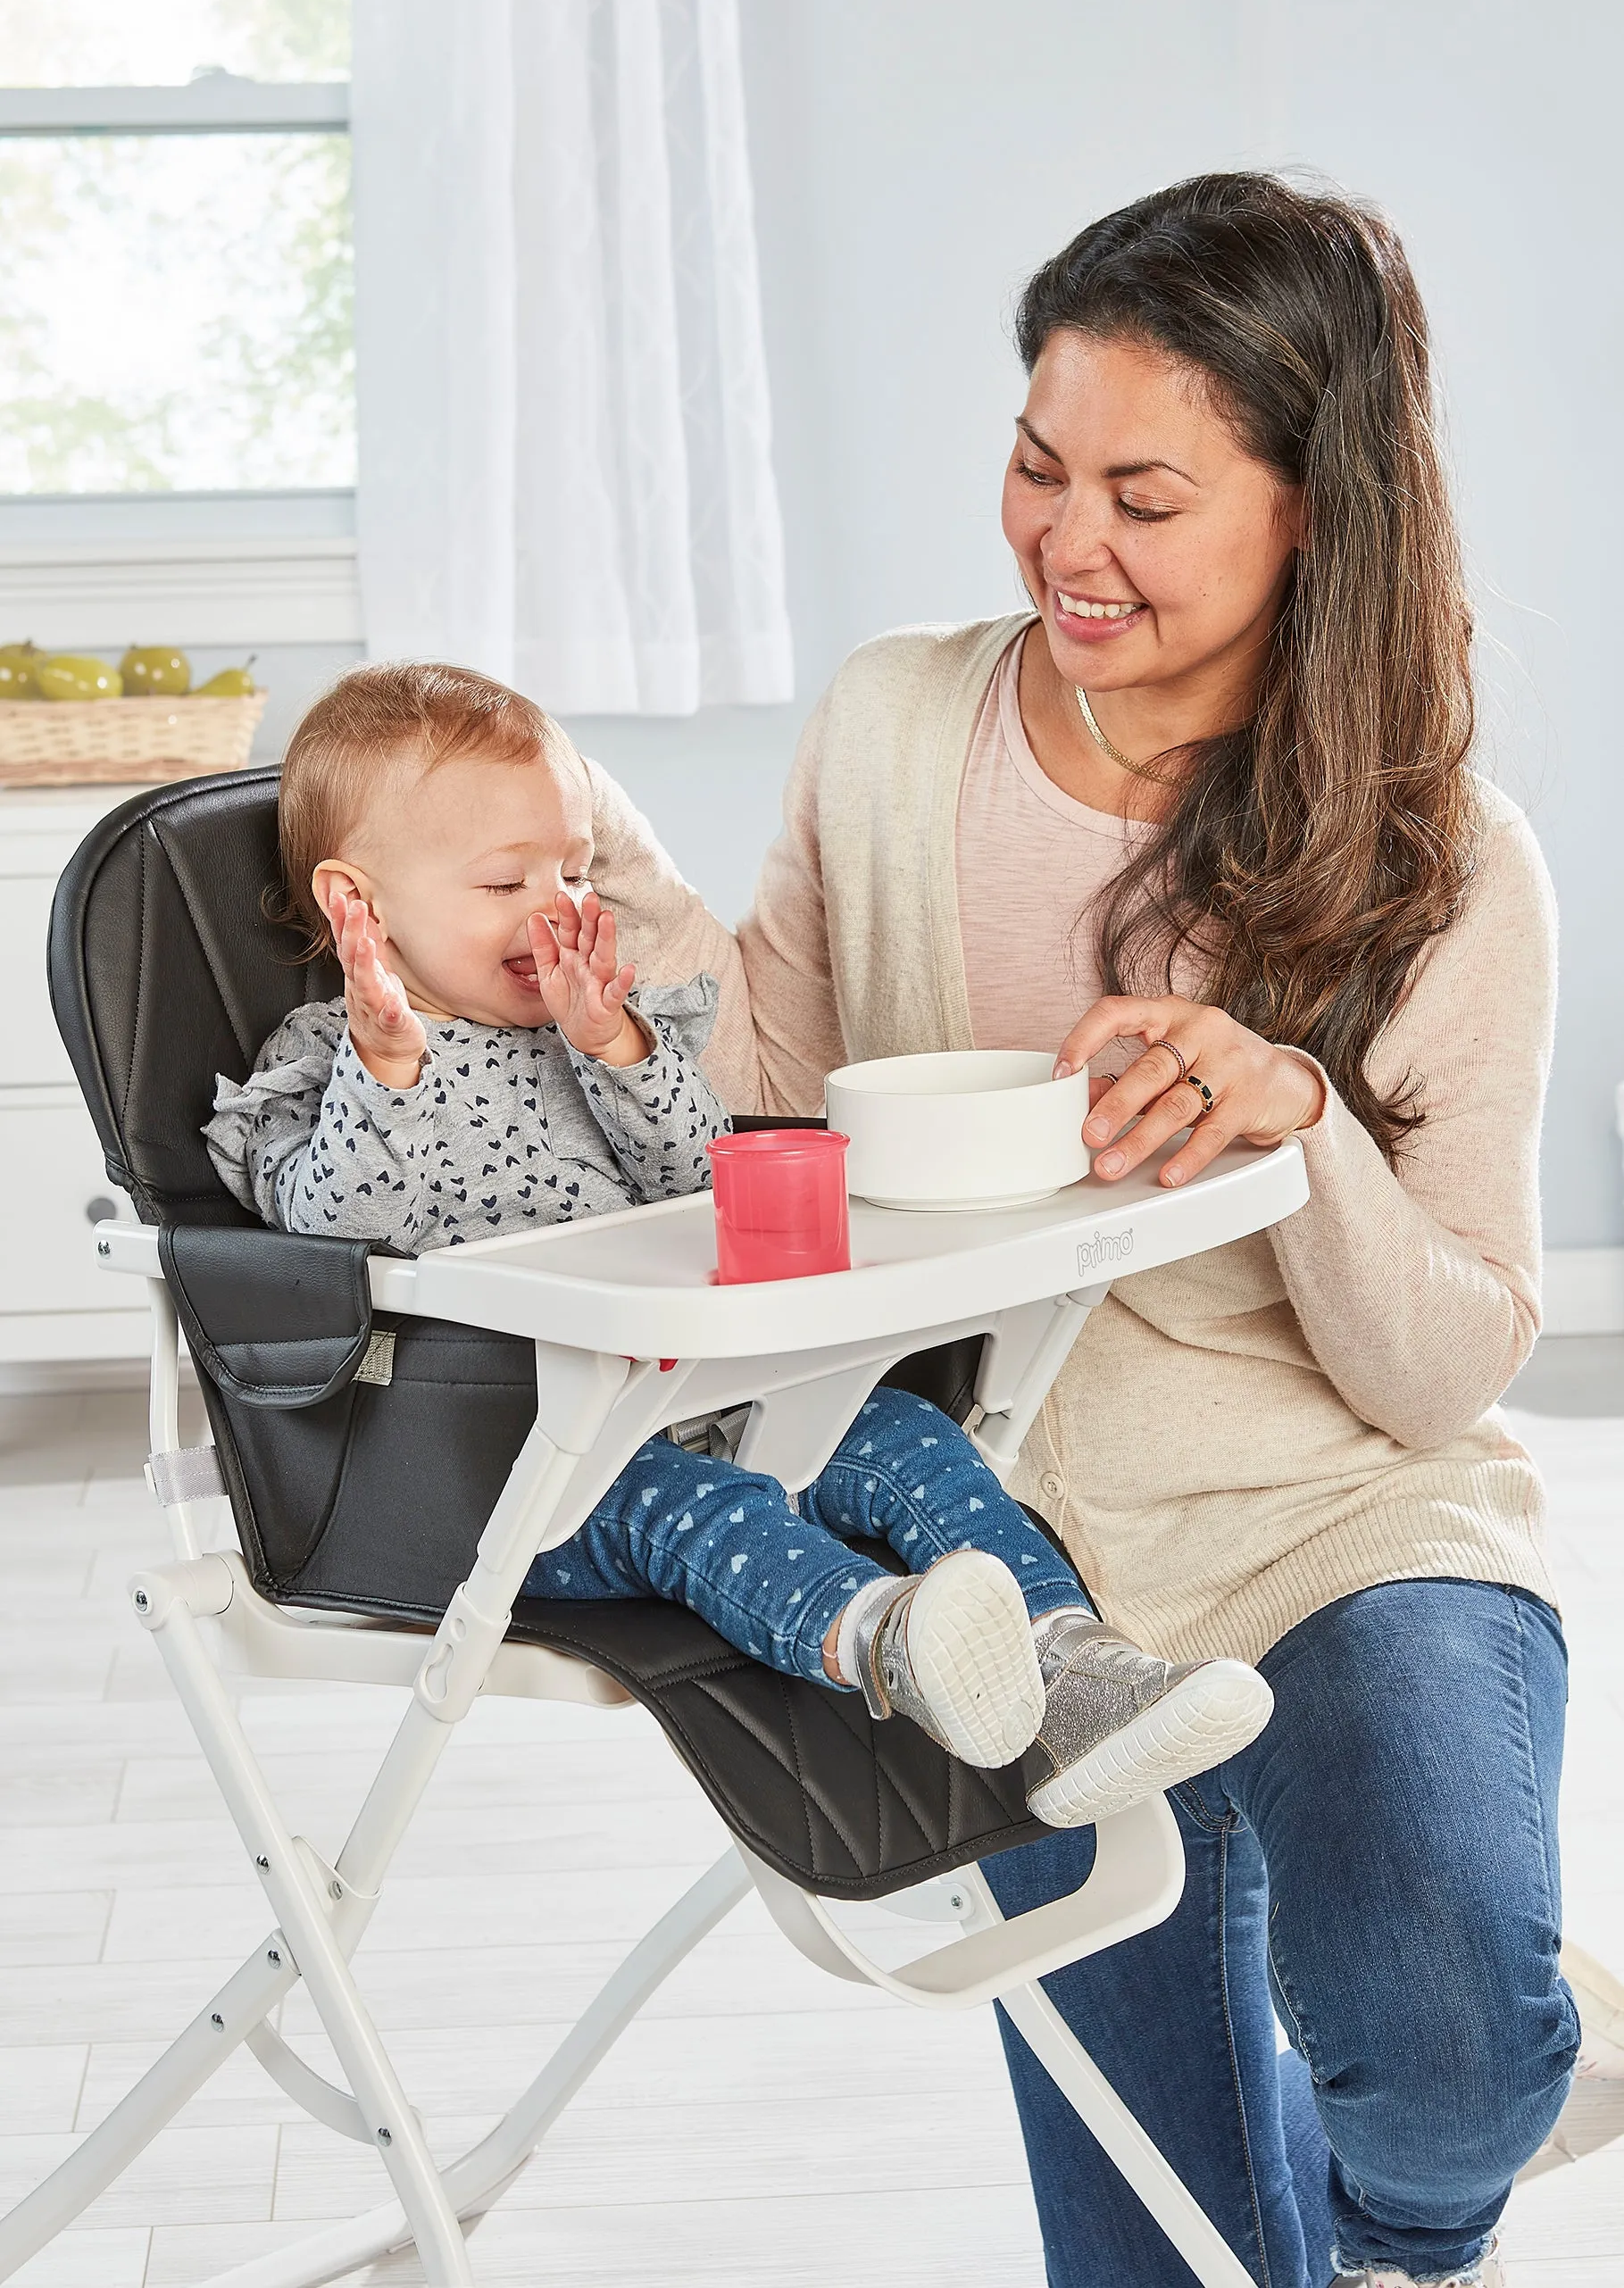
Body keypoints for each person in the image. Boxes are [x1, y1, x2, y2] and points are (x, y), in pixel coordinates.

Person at [587, 173, 1607, 2287]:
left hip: (1328, 1515)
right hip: (996, 1585)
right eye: (1038, 467)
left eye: (1146, 493)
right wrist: (615, 977)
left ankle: (1412, 2203)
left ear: (1311, 508)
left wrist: (1295, 1118)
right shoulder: (893, 724)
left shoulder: (1445, 866)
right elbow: (758, 1121)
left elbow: (1439, 1368)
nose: (1069, 540)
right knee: (1161, 2263)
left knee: (1451, 2070)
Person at [204, 659, 1273, 1827]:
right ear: (356, 907)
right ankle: (889, 1644)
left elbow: (692, 1182)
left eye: (570, 870)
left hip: (703, 1402)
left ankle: (1079, 1675)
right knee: (703, 1510)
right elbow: (335, 1224)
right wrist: (388, 1062)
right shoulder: (325, 1068)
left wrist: (615, 1047)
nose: (553, 903)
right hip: (513, 1474)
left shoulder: (579, 1042)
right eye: (506, 879)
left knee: (906, 1435)